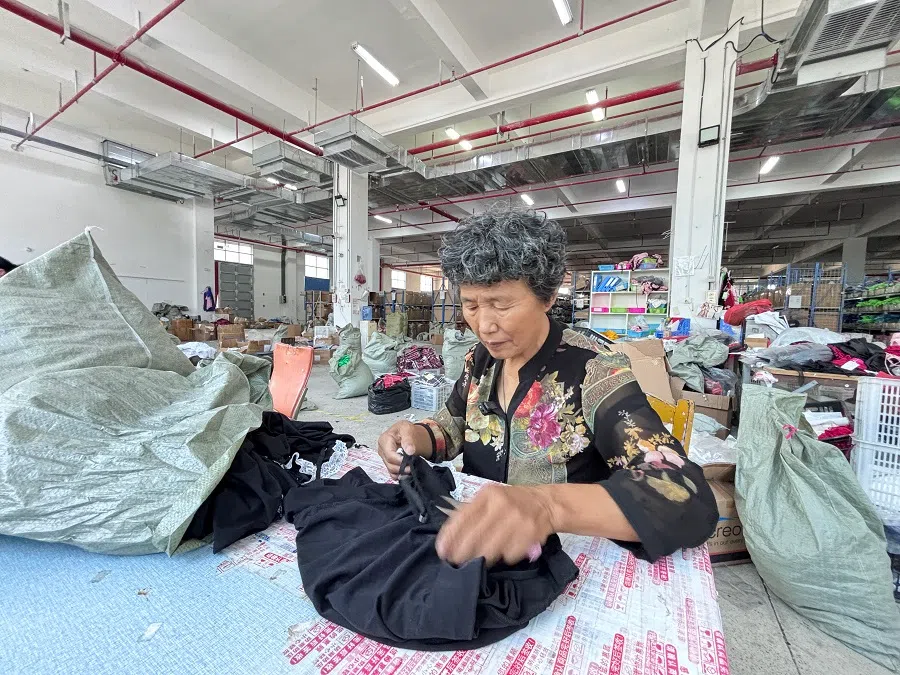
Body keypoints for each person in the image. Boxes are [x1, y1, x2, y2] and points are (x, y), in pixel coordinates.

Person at [376, 205, 717, 567]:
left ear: (548, 296)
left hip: (563, 562)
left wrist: (548, 506)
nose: (484, 325)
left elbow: (685, 496)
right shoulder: (481, 360)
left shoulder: (595, 370)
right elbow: (452, 427)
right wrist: (416, 436)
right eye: (471, 305)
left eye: (501, 304)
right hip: (479, 550)